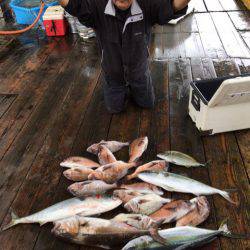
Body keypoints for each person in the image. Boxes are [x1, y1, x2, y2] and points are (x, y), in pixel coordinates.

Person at [59, 0, 190, 113]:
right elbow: (71, 4)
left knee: (148, 104)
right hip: (113, 77)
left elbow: (174, 6)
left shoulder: (148, 4)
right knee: (114, 109)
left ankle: (138, 87)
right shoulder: (95, 6)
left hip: (139, 74)